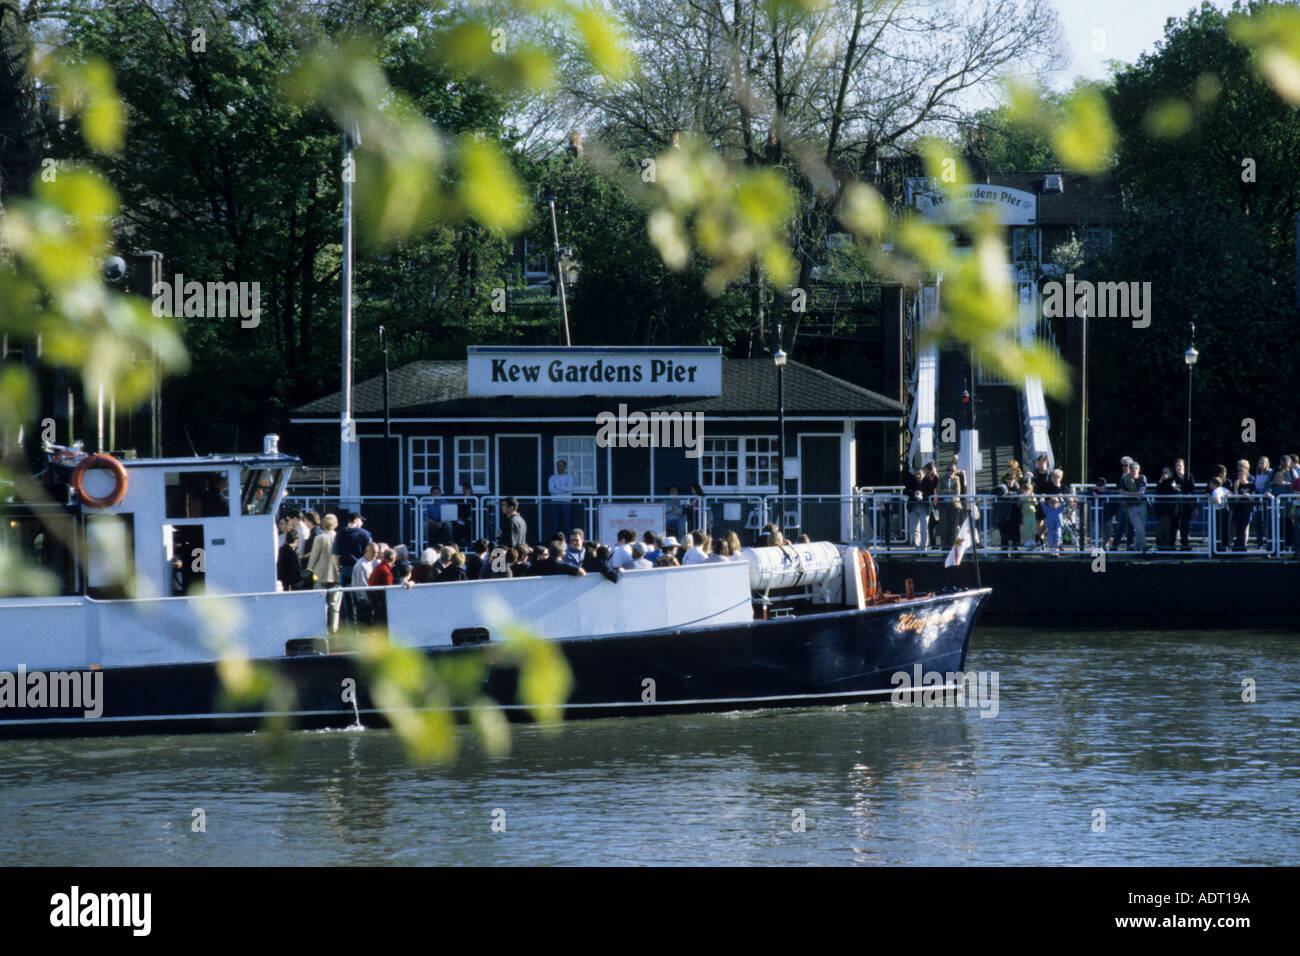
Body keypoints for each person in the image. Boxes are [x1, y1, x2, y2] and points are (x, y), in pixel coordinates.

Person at [308, 514, 340, 633]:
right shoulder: (338, 537)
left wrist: (309, 569)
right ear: (335, 524)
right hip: (336, 574)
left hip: (320, 574)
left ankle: (320, 629)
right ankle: (334, 628)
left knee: (320, 603)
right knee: (334, 604)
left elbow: (314, 556)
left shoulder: (319, 538)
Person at [1121, 460, 1149, 552]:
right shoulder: (1125, 478)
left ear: (1139, 470)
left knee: (1141, 528)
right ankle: (1145, 547)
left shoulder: (1142, 477)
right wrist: (1133, 494)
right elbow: (1121, 491)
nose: (1134, 471)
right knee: (1139, 528)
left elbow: (1142, 492)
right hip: (1131, 507)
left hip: (1142, 505)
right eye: (1132, 469)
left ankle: (1137, 547)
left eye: (1136, 469)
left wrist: (1137, 494)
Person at [1169, 459, 1197, 550]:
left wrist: (1194, 505)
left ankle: (1184, 545)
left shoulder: (1189, 476)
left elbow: (1192, 490)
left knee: (1185, 526)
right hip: (1176, 505)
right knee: (1174, 525)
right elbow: (1172, 489)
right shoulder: (1172, 477)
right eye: (1177, 465)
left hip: (1186, 505)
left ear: (1184, 466)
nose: (1178, 467)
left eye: (1180, 465)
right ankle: (1171, 545)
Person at [939, 461, 964, 549]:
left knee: (954, 527)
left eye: (952, 470)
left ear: (955, 471)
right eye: (948, 470)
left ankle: (954, 548)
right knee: (944, 527)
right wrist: (949, 492)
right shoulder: (941, 478)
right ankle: (944, 548)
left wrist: (945, 491)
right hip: (944, 505)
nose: (950, 471)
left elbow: (957, 492)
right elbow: (939, 492)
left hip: (954, 506)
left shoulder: (957, 479)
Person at [547, 460, 574, 540]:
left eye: (561, 465)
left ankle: (567, 542)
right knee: (553, 524)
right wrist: (564, 489)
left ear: (565, 467)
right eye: (558, 466)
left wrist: (557, 487)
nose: (560, 467)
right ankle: (553, 542)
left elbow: (569, 489)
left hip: (566, 502)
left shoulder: (569, 477)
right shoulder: (552, 478)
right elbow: (551, 490)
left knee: (566, 524)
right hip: (554, 502)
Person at [994, 472, 1021, 550]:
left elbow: (1021, 493)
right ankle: (1004, 553)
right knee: (1004, 536)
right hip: (1003, 515)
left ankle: (1016, 552)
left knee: (1015, 535)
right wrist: (1008, 494)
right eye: (1007, 479)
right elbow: (996, 492)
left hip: (1014, 515)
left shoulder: (1017, 488)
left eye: (1011, 479)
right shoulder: (1002, 487)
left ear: (1015, 480)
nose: (1009, 480)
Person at [904, 465, 929, 550]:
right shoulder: (911, 481)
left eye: (920, 474)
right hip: (913, 506)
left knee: (924, 528)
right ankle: (917, 546)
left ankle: (924, 547)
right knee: (913, 528)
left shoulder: (928, 482)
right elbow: (906, 491)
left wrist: (922, 494)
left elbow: (931, 492)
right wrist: (914, 492)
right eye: (916, 474)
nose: (918, 476)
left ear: (924, 475)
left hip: (924, 506)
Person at [1230, 465, 1254, 551]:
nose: (1240, 477)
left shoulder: (1251, 485)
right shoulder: (1237, 485)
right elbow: (1236, 498)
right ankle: (1237, 546)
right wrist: (1236, 487)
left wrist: (1248, 495)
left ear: (1246, 475)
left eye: (1242, 475)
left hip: (1246, 509)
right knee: (1238, 527)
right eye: (1239, 475)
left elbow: (1253, 498)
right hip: (1238, 509)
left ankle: (1242, 545)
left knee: (1243, 528)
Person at [1153, 467, 1178, 549]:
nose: (1164, 474)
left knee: (1165, 529)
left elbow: (1173, 491)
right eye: (1163, 472)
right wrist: (1160, 482)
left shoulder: (1171, 481)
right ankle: (1161, 547)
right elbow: (1157, 492)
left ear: (1170, 474)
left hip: (1168, 510)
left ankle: (1165, 548)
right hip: (1160, 510)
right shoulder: (1160, 482)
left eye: (1166, 472)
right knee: (1161, 529)